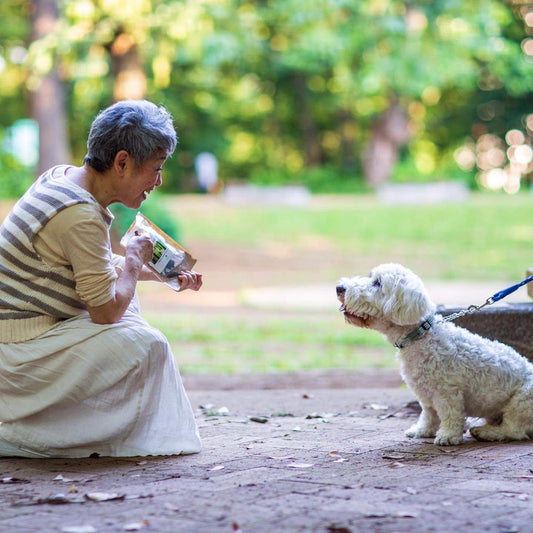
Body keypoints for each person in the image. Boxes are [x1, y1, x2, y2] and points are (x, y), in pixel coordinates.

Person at [0, 100, 203, 458]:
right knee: (148, 345)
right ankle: (42, 434)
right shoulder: (78, 214)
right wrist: (134, 262)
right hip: (17, 353)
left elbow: (94, 267)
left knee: (131, 307)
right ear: (122, 162)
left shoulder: (63, 178)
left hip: (24, 334)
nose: (158, 181)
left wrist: (160, 272)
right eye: (155, 169)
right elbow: (105, 312)